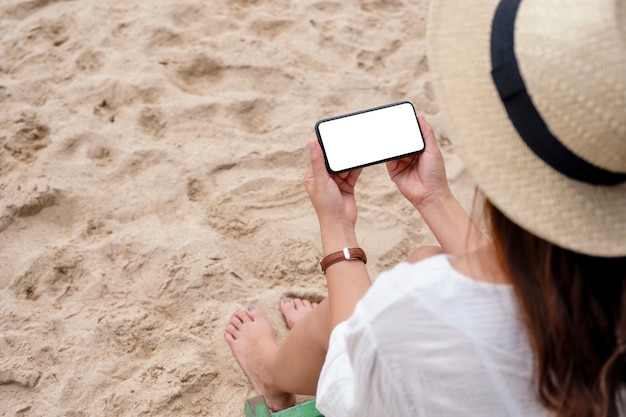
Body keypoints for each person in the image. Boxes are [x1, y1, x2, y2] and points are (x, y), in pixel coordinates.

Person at [225, 0, 626, 415]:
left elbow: (347, 385)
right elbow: (536, 285)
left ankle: (271, 374)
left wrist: (338, 225)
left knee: (363, 312)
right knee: (428, 262)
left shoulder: (420, 309)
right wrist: (433, 199)